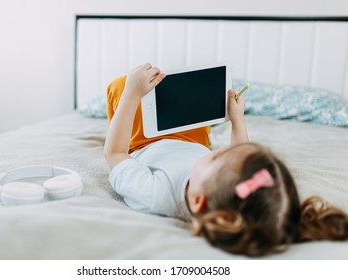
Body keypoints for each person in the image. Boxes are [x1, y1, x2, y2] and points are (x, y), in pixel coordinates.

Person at [104, 63, 348, 257]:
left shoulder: (155, 195)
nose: (221, 150)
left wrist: (132, 93)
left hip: (144, 143)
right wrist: (237, 119)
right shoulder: (216, 187)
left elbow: (116, 153)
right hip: (192, 141)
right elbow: (241, 156)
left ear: (198, 201)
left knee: (120, 86)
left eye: (215, 157)